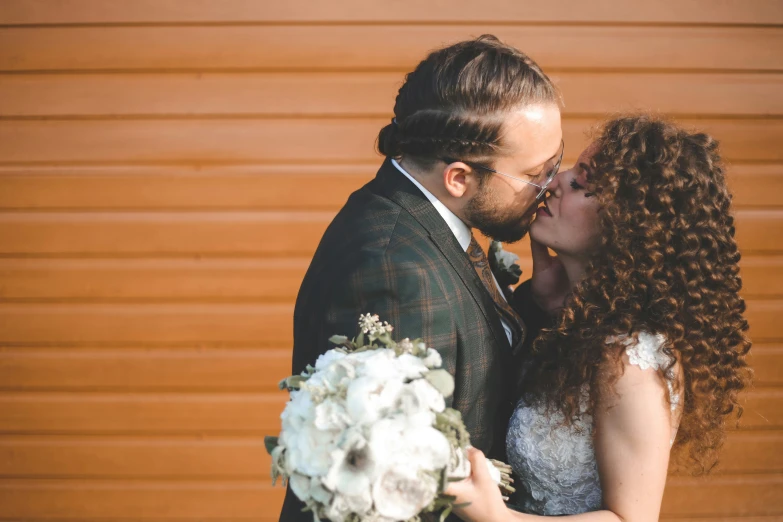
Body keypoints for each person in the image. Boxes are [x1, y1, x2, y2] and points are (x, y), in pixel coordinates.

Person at [279, 35, 565, 521]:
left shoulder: (430, 222)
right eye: (539, 173)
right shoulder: (390, 271)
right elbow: (388, 493)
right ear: (458, 178)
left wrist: (536, 302)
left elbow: (473, 361)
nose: (552, 186)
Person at [447, 114, 753, 521]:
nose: (554, 183)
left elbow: (631, 518)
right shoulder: (578, 323)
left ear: (625, 226)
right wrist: (543, 305)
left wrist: (496, 517)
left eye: (580, 184)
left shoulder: (629, 358)